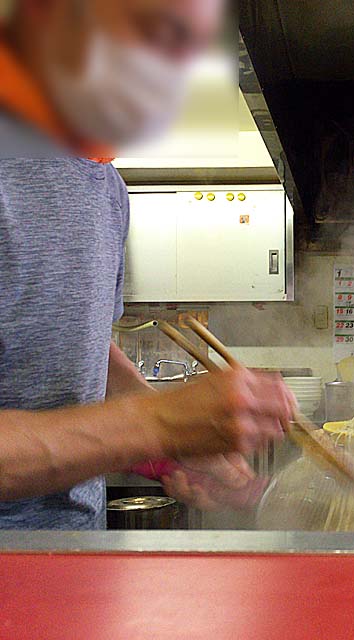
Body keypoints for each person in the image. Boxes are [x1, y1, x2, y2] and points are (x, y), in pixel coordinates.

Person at [0, 0, 295, 529]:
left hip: (72, 560)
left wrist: (182, 444)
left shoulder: (104, 186)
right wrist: (154, 424)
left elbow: (85, 358)